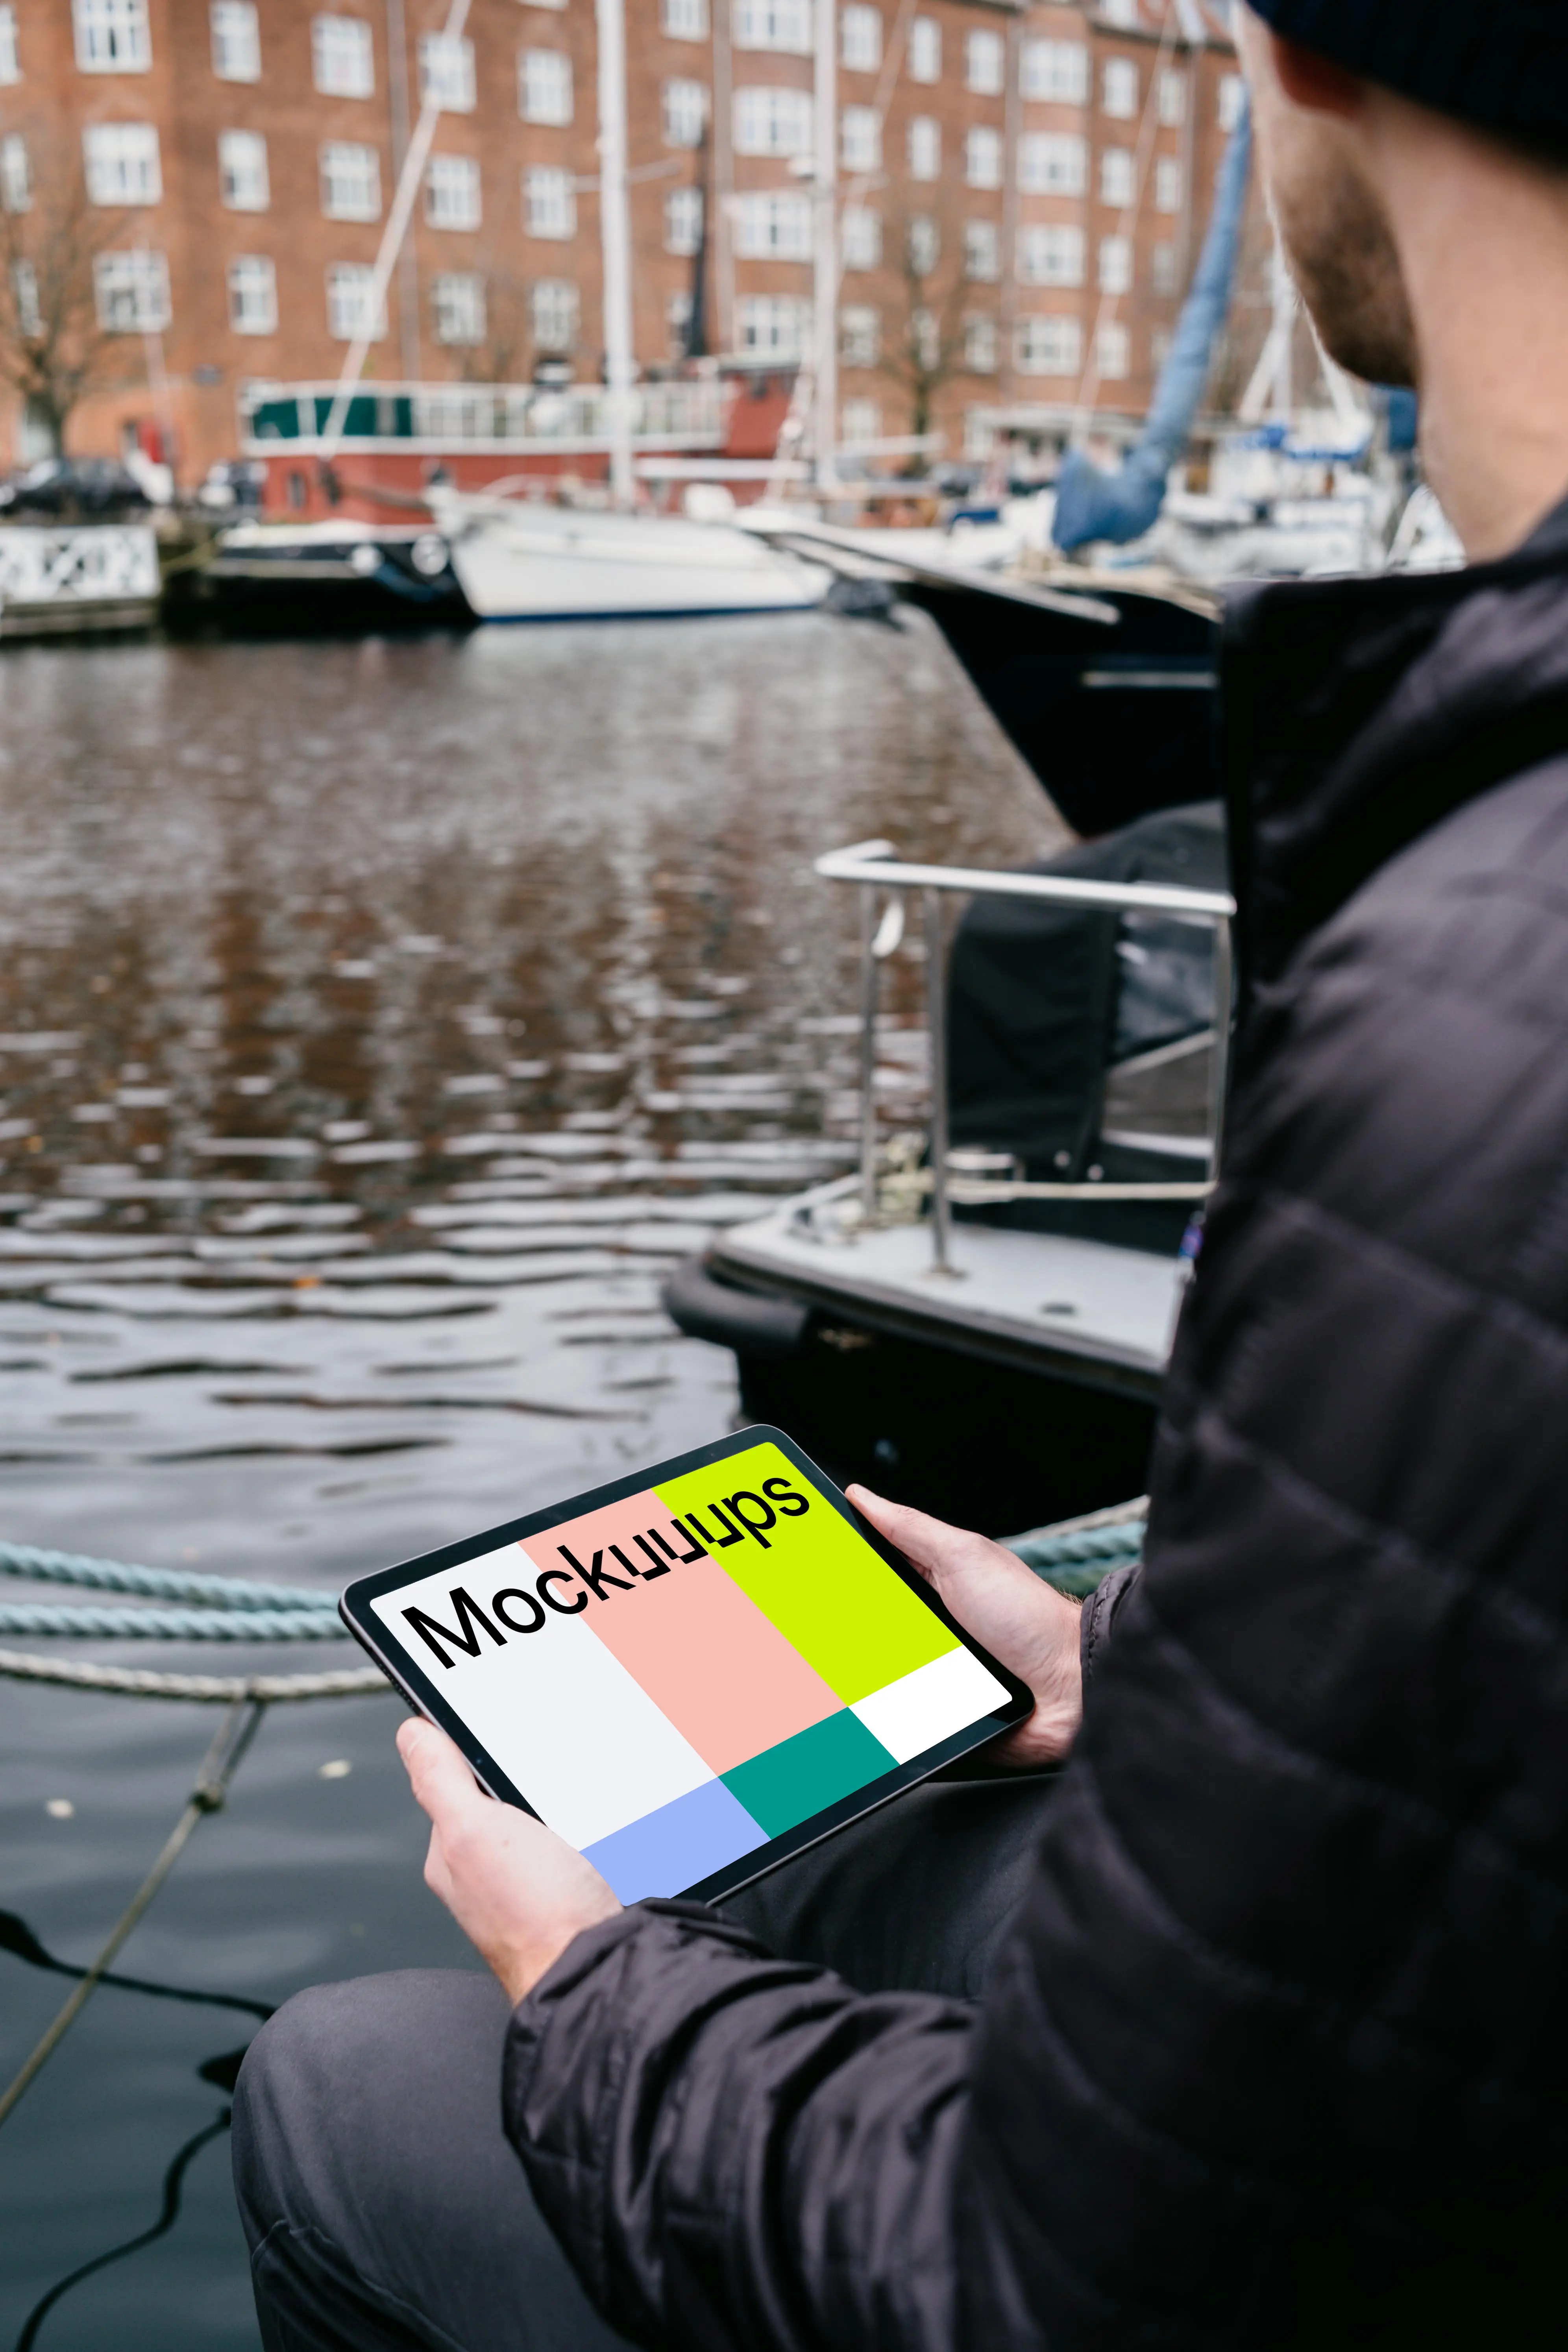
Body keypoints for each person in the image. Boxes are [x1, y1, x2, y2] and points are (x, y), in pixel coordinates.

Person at [234, 6, 1568, 2345]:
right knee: (906, 1808)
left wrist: (580, 1985)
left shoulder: (1480, 999)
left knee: (352, 2076)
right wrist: (1138, 1660)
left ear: (1316, 60)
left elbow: (1061, 2291)